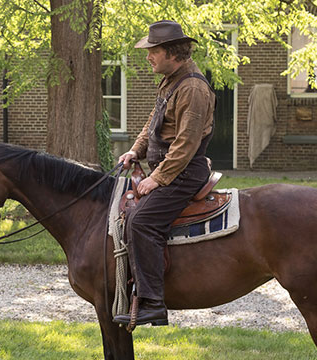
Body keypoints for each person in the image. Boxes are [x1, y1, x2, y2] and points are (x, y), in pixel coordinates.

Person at [113, 20, 215, 326]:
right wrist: (135, 151)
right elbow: (153, 125)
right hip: (169, 169)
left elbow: (186, 143)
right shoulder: (172, 81)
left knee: (142, 221)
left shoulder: (193, 87)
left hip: (183, 172)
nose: (148, 57)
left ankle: (153, 302)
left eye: (153, 51)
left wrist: (157, 178)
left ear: (172, 52)